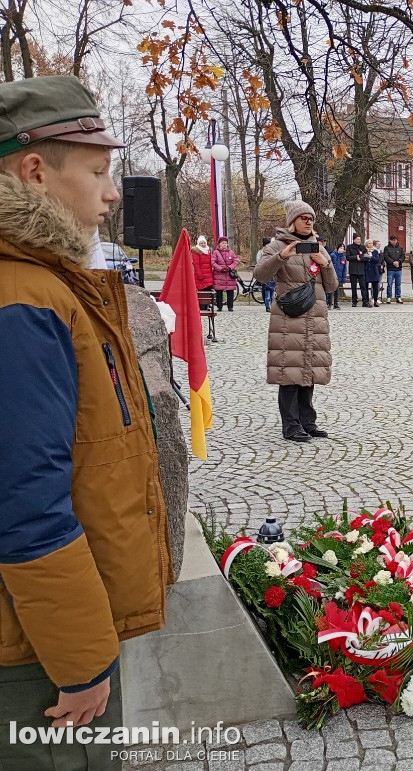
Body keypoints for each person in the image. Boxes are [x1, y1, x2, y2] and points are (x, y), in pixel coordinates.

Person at [0, 75, 170, 770]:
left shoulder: (46, 281)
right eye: (98, 172)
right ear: (35, 172)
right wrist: (79, 661)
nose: (110, 194)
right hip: (36, 653)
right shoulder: (23, 301)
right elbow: (26, 498)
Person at [253, 200, 338, 442]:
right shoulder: (277, 245)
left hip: (315, 318)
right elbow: (260, 275)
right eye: (304, 218)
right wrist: (281, 256)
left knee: (309, 370)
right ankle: (290, 425)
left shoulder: (317, 248)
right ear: (292, 221)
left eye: (311, 218)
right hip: (290, 318)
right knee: (289, 371)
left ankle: (307, 422)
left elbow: (332, 286)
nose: (309, 221)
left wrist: (327, 264)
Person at [211, 236, 239, 312]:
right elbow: (213, 262)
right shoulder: (216, 252)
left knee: (230, 292)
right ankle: (219, 306)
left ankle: (230, 306)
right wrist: (220, 268)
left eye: (225, 243)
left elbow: (236, 261)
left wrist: (230, 267)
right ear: (219, 244)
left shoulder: (231, 252)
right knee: (219, 292)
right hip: (219, 275)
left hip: (229, 275)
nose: (224, 244)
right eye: (223, 243)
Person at [346, 234, 369, 308]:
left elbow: (366, 256)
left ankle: (365, 301)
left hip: (361, 269)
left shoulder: (363, 247)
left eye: (360, 239)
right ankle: (354, 301)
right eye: (357, 239)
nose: (359, 241)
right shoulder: (349, 247)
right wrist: (356, 257)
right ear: (354, 240)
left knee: (363, 286)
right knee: (354, 286)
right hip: (353, 269)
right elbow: (348, 257)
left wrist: (361, 259)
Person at [382, 234, 405, 304]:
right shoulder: (386, 248)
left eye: (395, 240)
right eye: (392, 240)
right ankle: (389, 297)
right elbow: (386, 257)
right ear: (390, 241)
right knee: (389, 284)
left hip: (398, 269)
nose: (394, 241)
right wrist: (393, 262)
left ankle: (398, 297)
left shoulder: (400, 248)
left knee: (398, 284)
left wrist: (399, 261)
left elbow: (403, 256)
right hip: (390, 269)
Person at [257, 237, 276, 312]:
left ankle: (272, 306)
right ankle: (267, 306)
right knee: (267, 292)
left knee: (272, 292)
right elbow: (259, 262)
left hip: (272, 274)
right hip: (264, 274)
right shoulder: (260, 253)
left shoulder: (272, 252)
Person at [329, 242, 347, 308]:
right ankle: (329, 303)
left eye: (343, 248)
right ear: (338, 248)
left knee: (337, 290)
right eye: (341, 248)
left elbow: (344, 268)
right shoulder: (333, 255)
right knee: (331, 290)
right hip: (332, 275)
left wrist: (343, 277)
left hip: (339, 275)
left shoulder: (343, 257)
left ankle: (336, 303)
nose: (342, 249)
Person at [366, 240, 382, 307]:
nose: (371, 244)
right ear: (366, 244)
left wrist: (370, 257)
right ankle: (366, 301)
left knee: (375, 286)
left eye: (372, 243)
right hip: (367, 270)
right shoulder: (365, 251)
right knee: (365, 286)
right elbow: (363, 259)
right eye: (369, 243)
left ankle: (375, 301)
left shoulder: (375, 251)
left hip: (374, 270)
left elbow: (377, 260)